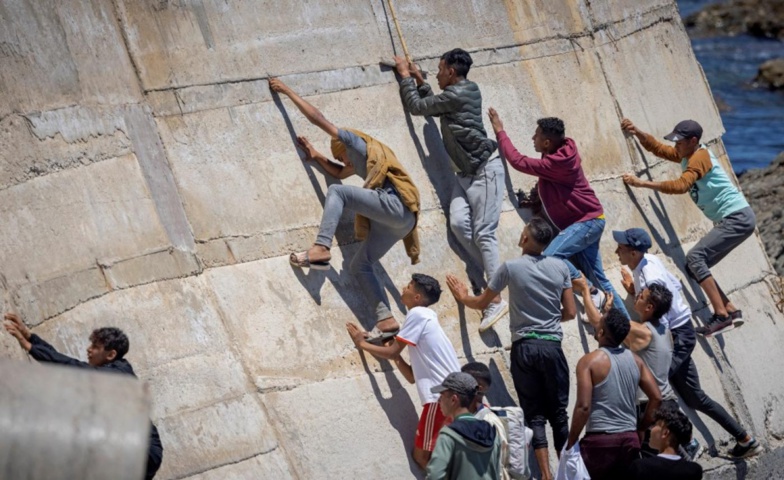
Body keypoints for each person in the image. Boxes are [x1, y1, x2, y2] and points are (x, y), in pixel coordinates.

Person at [270, 77, 421, 343]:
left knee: (337, 192)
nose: (343, 161)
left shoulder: (355, 143)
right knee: (360, 264)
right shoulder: (363, 159)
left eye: (341, 155)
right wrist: (316, 155)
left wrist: (287, 91)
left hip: (395, 203)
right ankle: (386, 320)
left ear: (346, 148)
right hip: (402, 223)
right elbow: (339, 172)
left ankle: (321, 248)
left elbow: (318, 118)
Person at [613, 227, 762, 458]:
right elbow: (676, 286)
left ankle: (690, 444)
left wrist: (636, 299)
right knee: (694, 397)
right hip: (682, 332)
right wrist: (635, 291)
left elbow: (658, 318)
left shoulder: (650, 276)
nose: (616, 252)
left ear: (633, 253)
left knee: (658, 390)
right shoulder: (648, 260)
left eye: (621, 248)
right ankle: (745, 439)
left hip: (678, 336)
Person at [447, 217, 576, 480]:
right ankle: (569, 473)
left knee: (535, 414)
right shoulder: (561, 267)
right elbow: (571, 312)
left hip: (525, 348)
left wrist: (462, 297)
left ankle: (545, 475)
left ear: (525, 239)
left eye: (524, 231)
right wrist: (550, 319)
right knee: (560, 415)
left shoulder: (510, 267)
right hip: (552, 347)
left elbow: (483, 301)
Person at [395, 48, 508, 332]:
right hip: (466, 174)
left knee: (484, 234)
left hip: (485, 171)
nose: (437, 72)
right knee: (458, 223)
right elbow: (435, 103)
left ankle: (493, 299)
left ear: (451, 72)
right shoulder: (459, 92)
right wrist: (421, 82)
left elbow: (419, 107)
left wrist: (406, 77)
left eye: (439, 68)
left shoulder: (458, 94)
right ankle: (496, 282)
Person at [620, 118, 755, 336]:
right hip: (735, 219)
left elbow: (681, 186)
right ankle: (731, 310)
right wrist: (637, 132)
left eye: (679, 142)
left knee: (694, 258)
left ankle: (720, 316)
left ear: (693, 141)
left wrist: (642, 183)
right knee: (695, 268)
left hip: (736, 217)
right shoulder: (687, 154)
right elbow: (658, 148)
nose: (676, 146)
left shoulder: (699, 157)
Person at [488, 109, 628, 317]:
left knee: (549, 256)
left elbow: (519, 162)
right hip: (589, 220)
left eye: (537, 135)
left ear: (547, 142)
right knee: (599, 277)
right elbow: (553, 184)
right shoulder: (559, 152)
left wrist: (500, 131)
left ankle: (590, 291)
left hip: (586, 222)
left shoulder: (556, 162)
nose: (532, 138)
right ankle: (623, 325)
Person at [4, 313, 163, 479]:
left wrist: (30, 348)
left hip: (144, 450)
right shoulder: (108, 372)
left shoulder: (118, 374)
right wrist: (30, 337)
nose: (89, 349)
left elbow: (72, 367)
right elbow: (65, 362)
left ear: (110, 354)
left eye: (95, 346)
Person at [346, 274, 460, 470]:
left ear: (417, 298)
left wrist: (361, 343)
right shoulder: (427, 319)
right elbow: (411, 377)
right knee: (441, 459)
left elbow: (391, 352)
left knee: (422, 457)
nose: (403, 288)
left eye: (409, 286)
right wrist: (396, 356)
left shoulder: (417, 315)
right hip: (453, 397)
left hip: (441, 398)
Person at [575, 275, 679, 455]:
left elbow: (599, 323)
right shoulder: (665, 331)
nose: (636, 295)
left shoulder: (643, 332)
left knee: (649, 464)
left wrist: (585, 291)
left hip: (651, 407)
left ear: (649, 307)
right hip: (669, 405)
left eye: (640, 295)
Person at [565, 308, 662, 480]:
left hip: (600, 442)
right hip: (629, 439)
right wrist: (641, 428)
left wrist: (571, 441)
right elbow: (656, 397)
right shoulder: (636, 360)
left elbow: (583, 407)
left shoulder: (589, 362)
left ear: (601, 332)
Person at [426, 372, 502, 480]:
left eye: (442, 396)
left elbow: (435, 476)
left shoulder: (448, 435)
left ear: (453, 399)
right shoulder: (492, 432)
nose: (439, 401)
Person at [462, 362, 510, 480]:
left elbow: (494, 469)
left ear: (479, 388)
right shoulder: (471, 417)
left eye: (463, 382)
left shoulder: (487, 423)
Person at [628, 406, 704, 480]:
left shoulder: (641, 467)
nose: (650, 429)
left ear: (665, 433)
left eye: (655, 425)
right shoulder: (694, 470)